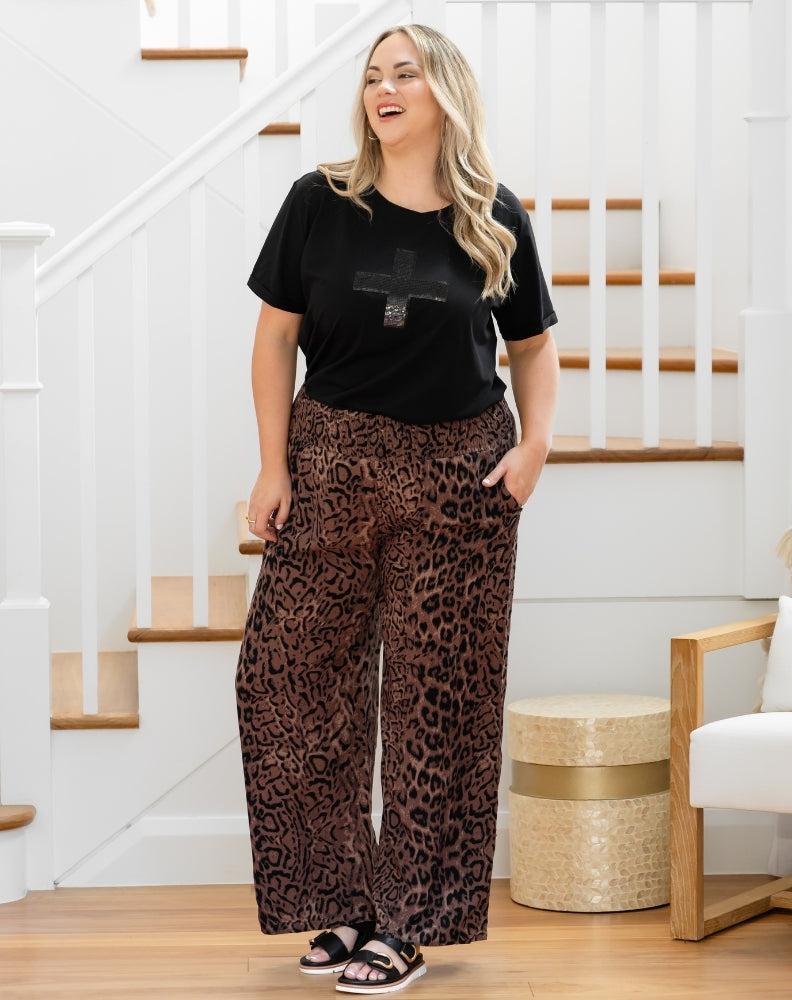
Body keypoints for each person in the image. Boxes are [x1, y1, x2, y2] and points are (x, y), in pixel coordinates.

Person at [236, 22, 559, 995]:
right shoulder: (317, 204)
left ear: (444, 92)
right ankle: (345, 899)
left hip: (460, 472)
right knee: (284, 683)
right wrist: (272, 464)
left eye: (405, 74)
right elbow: (272, 342)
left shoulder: (492, 215)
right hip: (330, 457)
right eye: (374, 75)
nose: (385, 88)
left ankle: (410, 922)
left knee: (439, 706)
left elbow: (534, 349)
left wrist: (535, 449)